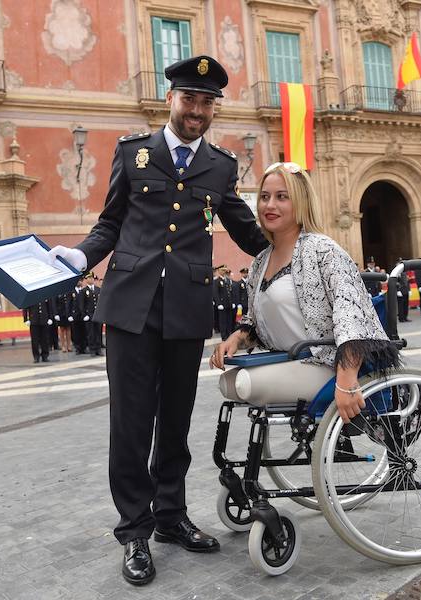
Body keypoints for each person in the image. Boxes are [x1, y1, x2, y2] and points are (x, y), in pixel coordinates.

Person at [47, 55, 266, 586]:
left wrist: (297, 256)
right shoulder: (134, 153)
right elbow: (111, 221)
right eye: (189, 98)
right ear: (170, 99)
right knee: (131, 423)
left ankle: (170, 517)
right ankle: (134, 531)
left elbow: (244, 229)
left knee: (175, 419)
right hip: (129, 308)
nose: (197, 110)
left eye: (207, 102)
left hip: (186, 311)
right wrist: (80, 257)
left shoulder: (219, 166)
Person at [209, 161, 399, 426]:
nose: (269, 205)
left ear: (301, 203)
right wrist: (237, 338)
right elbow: (256, 322)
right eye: (264, 197)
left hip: (329, 365)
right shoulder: (260, 261)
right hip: (292, 359)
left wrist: (346, 381)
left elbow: (352, 317)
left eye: (281, 197)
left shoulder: (324, 250)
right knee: (228, 383)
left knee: (241, 383)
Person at [213, 265, 235, 339]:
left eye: (225, 270)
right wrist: (218, 303)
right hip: (222, 304)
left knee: (229, 320)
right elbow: (215, 293)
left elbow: (230, 292)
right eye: (222, 270)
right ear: (219, 271)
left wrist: (233, 302)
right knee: (223, 321)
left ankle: (229, 334)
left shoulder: (228, 280)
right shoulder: (216, 281)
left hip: (229, 304)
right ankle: (224, 336)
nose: (224, 272)